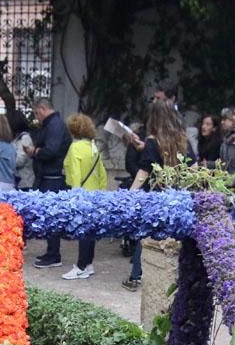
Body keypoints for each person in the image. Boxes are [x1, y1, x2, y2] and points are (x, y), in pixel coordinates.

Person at [123, 102, 193, 290]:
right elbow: (193, 168)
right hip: (180, 197)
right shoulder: (183, 139)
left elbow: (144, 172)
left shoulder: (153, 141)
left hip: (158, 197)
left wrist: (128, 196)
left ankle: (136, 276)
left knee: (147, 236)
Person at [61, 113, 107, 280]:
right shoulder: (93, 147)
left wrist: (75, 196)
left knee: (82, 233)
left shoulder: (75, 148)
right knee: (90, 233)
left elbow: (75, 174)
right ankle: (88, 264)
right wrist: (101, 193)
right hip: (95, 194)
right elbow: (102, 173)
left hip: (82, 195)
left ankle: (80, 266)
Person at [30, 98, 72, 269]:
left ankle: (54, 254)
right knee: (49, 216)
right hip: (48, 177)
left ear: (43, 108)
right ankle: (51, 251)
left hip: (52, 178)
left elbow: (51, 150)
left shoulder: (55, 125)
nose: (36, 117)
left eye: (37, 113)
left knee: (52, 216)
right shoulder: (53, 124)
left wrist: (37, 151)